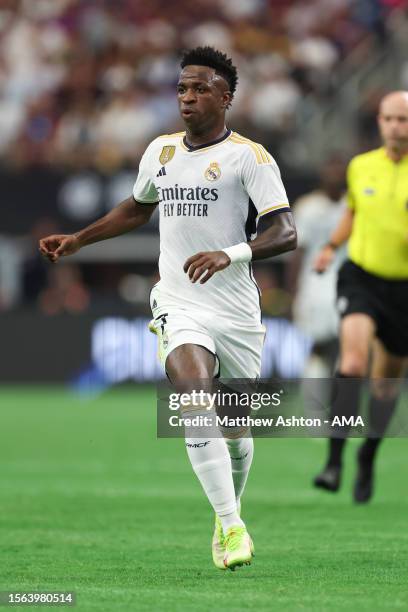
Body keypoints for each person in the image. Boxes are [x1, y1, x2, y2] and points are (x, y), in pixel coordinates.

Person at [39, 47, 297, 570]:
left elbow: (285, 233)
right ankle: (231, 526)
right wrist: (80, 240)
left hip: (237, 310)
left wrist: (231, 253)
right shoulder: (160, 152)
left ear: (225, 97)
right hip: (179, 300)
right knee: (194, 397)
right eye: (182, 88)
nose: (187, 97)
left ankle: (229, 508)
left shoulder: (251, 157)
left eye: (200, 89)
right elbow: (137, 206)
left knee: (238, 434)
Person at [313, 91, 408, 503]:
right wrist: (332, 246)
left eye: (403, 120)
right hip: (362, 277)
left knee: (385, 387)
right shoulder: (361, 166)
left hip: (403, 288)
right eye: (389, 119)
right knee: (351, 363)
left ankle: (368, 454)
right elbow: (353, 211)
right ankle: (334, 461)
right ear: (380, 122)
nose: (395, 127)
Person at [289, 156, 347, 378]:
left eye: (339, 169)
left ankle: (342, 408)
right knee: (319, 348)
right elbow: (297, 253)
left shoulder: (354, 204)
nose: (335, 175)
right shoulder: (307, 207)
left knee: (347, 349)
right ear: (321, 175)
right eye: (330, 169)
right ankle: (316, 410)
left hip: (347, 284)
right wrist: (292, 292)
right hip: (314, 285)